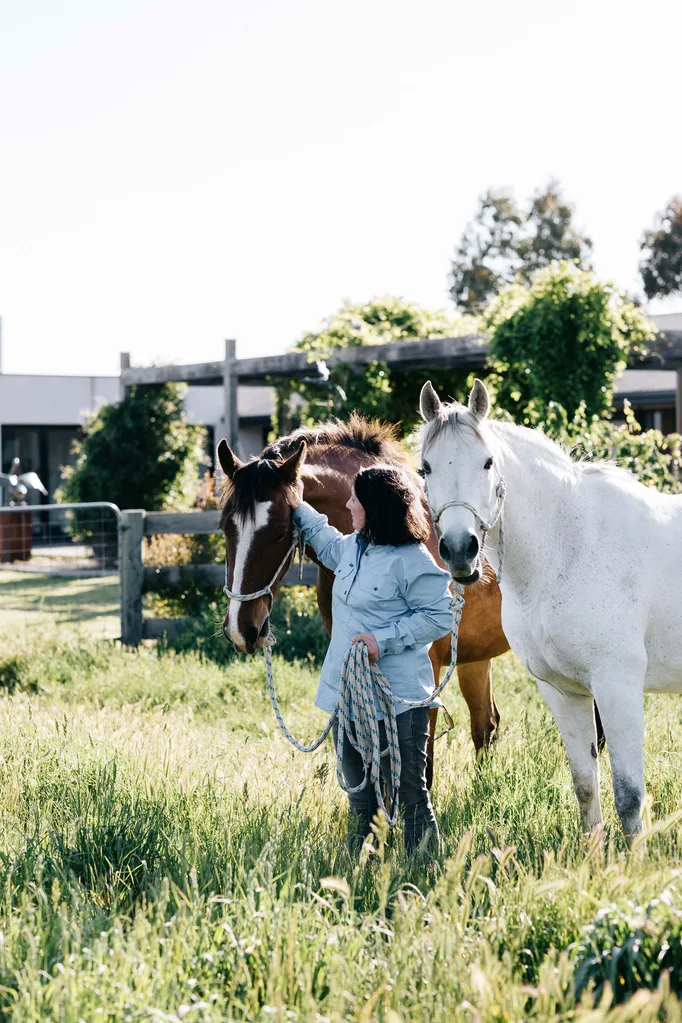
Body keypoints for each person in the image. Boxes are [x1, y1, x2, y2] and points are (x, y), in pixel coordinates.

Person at [289, 465, 452, 855]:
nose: (348, 505)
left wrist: (383, 640)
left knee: (412, 797)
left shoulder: (411, 559)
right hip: (348, 698)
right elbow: (323, 537)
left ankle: (425, 873)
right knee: (360, 798)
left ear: (375, 507)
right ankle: (363, 874)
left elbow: (441, 616)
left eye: (355, 499)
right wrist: (294, 503)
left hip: (400, 702)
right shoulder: (352, 548)